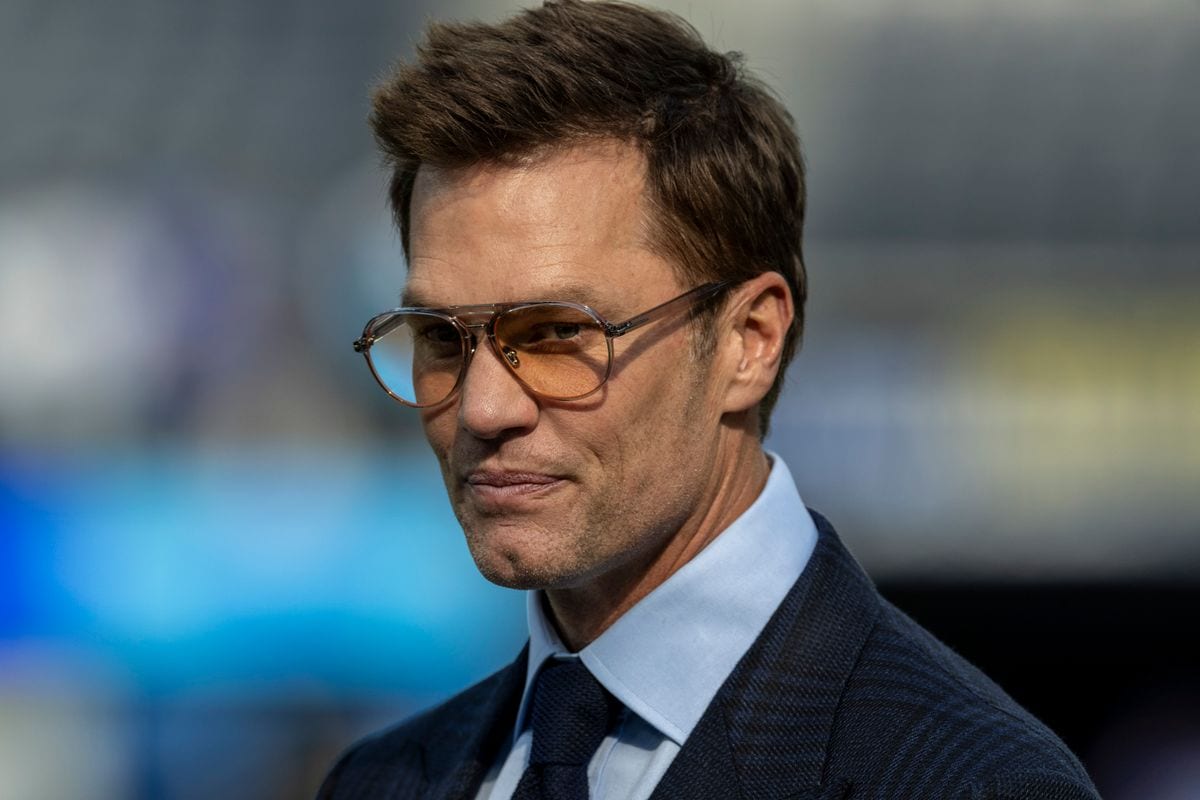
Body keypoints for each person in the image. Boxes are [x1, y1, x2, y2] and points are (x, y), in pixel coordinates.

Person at [319, 2, 1100, 798]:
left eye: (557, 333)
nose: (484, 409)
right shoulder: (377, 782)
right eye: (442, 339)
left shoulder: (973, 784)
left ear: (749, 340)